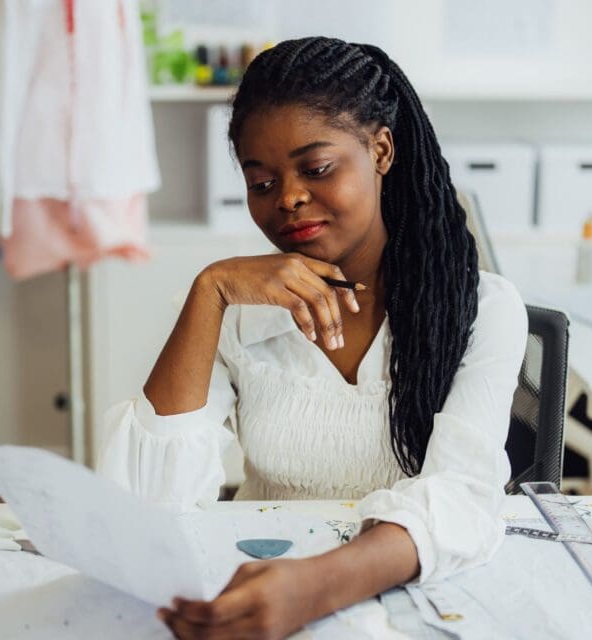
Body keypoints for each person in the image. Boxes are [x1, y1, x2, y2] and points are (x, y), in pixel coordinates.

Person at [96, 36, 528, 639]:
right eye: (261, 183)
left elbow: (461, 497)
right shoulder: (236, 309)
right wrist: (210, 289)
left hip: (405, 598)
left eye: (317, 169)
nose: (289, 199)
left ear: (381, 150)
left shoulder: (483, 309)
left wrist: (312, 588)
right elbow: (143, 503)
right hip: (255, 580)